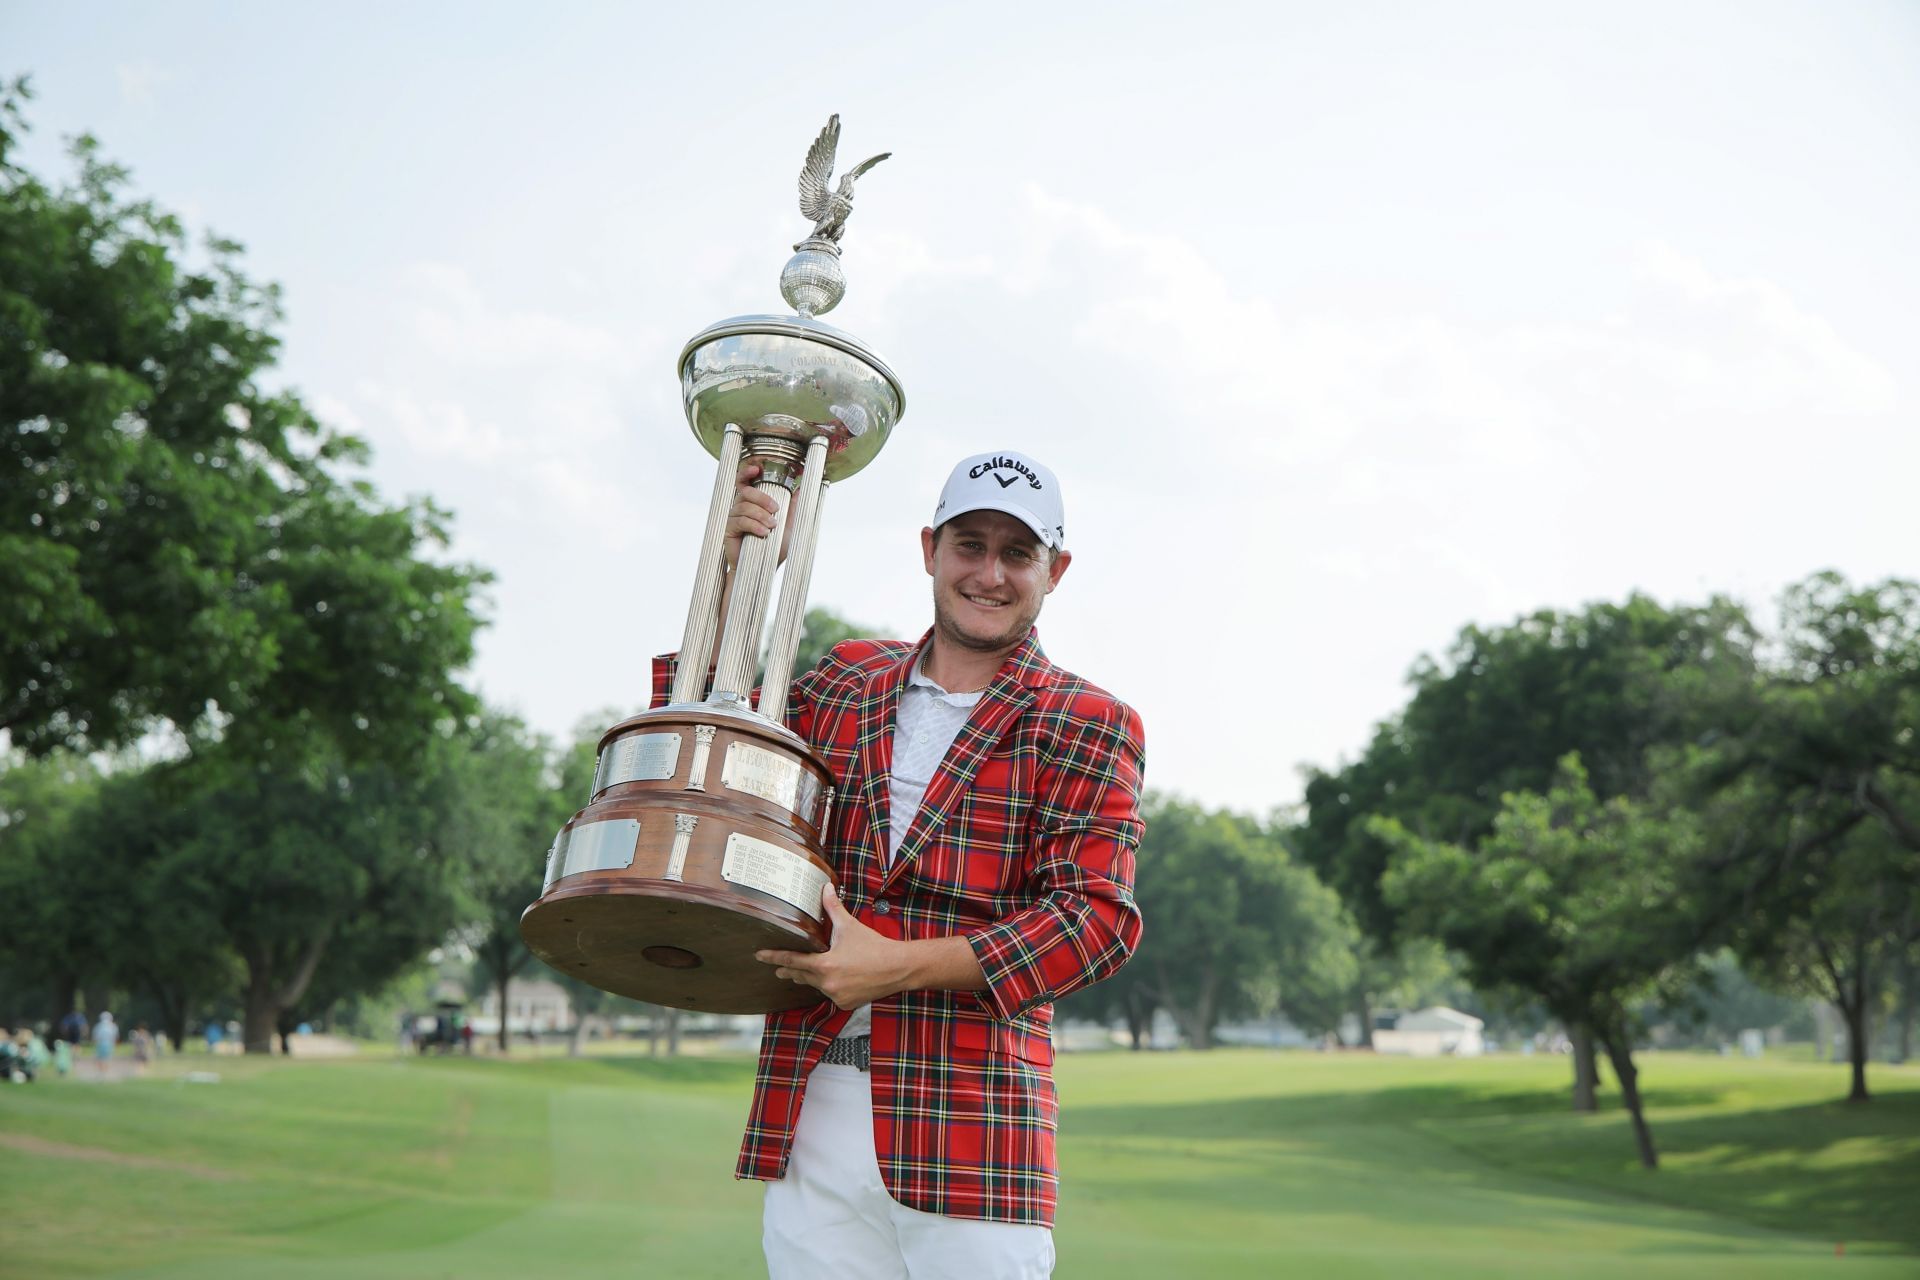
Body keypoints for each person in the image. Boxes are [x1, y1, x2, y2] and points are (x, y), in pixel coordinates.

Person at [653, 449, 1145, 1278]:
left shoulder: (1087, 719)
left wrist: (893, 968)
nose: (989, 573)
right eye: (969, 545)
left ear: (1054, 570)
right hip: (812, 1106)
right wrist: (742, 577)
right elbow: (709, 730)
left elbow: (1094, 925)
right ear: (930, 549)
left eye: (1017, 553)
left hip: (974, 1126)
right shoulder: (850, 679)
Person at [92, 1010, 118, 1076]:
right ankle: (105, 1072)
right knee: (107, 1059)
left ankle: (102, 1072)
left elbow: (95, 1037)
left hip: (101, 1044)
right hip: (109, 1044)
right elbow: (115, 1037)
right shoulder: (113, 1026)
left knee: (100, 1059)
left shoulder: (98, 1026)